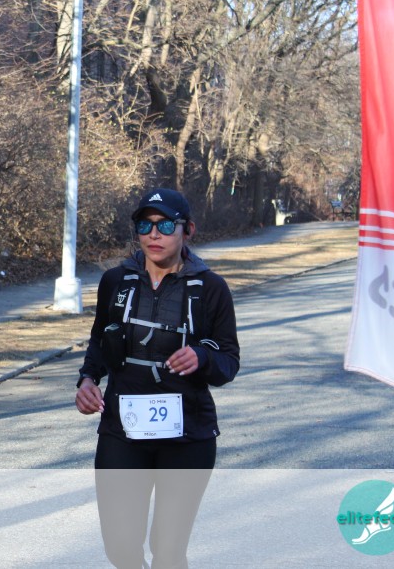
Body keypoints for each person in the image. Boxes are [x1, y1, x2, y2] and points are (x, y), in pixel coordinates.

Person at [75, 187, 240, 569]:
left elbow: (229, 361)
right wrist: (87, 380)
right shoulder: (115, 282)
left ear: (188, 230)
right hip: (122, 433)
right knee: (120, 548)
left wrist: (201, 356)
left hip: (188, 438)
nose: (154, 234)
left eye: (165, 225)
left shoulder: (211, 289)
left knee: (167, 552)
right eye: (144, 225)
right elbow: (100, 341)